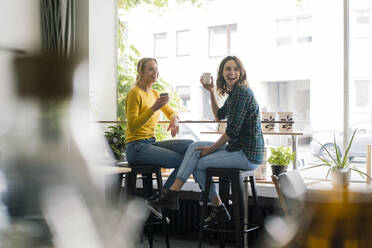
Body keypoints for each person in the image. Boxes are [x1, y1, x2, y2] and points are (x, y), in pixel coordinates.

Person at [150, 56, 265, 226]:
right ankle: (197, 202)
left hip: (247, 155)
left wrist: (210, 150)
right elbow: (219, 115)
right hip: (237, 149)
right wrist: (211, 91)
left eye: (235, 69)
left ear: (241, 72)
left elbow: (232, 131)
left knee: (197, 161)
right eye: (227, 69)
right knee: (194, 147)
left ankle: (182, 196)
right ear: (222, 73)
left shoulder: (242, 93)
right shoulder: (234, 94)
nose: (231, 72)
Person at [125, 57, 193, 190]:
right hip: (136, 148)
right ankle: (165, 196)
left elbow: (171, 111)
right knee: (185, 162)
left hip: (150, 143)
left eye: (156, 69)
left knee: (190, 145)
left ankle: (164, 196)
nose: (155, 72)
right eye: (150, 69)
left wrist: (174, 118)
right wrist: (153, 109)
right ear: (141, 72)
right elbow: (132, 126)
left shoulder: (155, 94)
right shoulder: (135, 93)